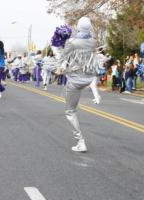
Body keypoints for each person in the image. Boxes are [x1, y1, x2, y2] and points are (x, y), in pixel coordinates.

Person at [57, 17, 102, 152]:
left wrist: (59, 65)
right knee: (90, 85)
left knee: (70, 111)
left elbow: (63, 58)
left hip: (75, 80)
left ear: (77, 27)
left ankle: (80, 141)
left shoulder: (71, 42)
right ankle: (96, 94)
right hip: (90, 79)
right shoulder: (94, 42)